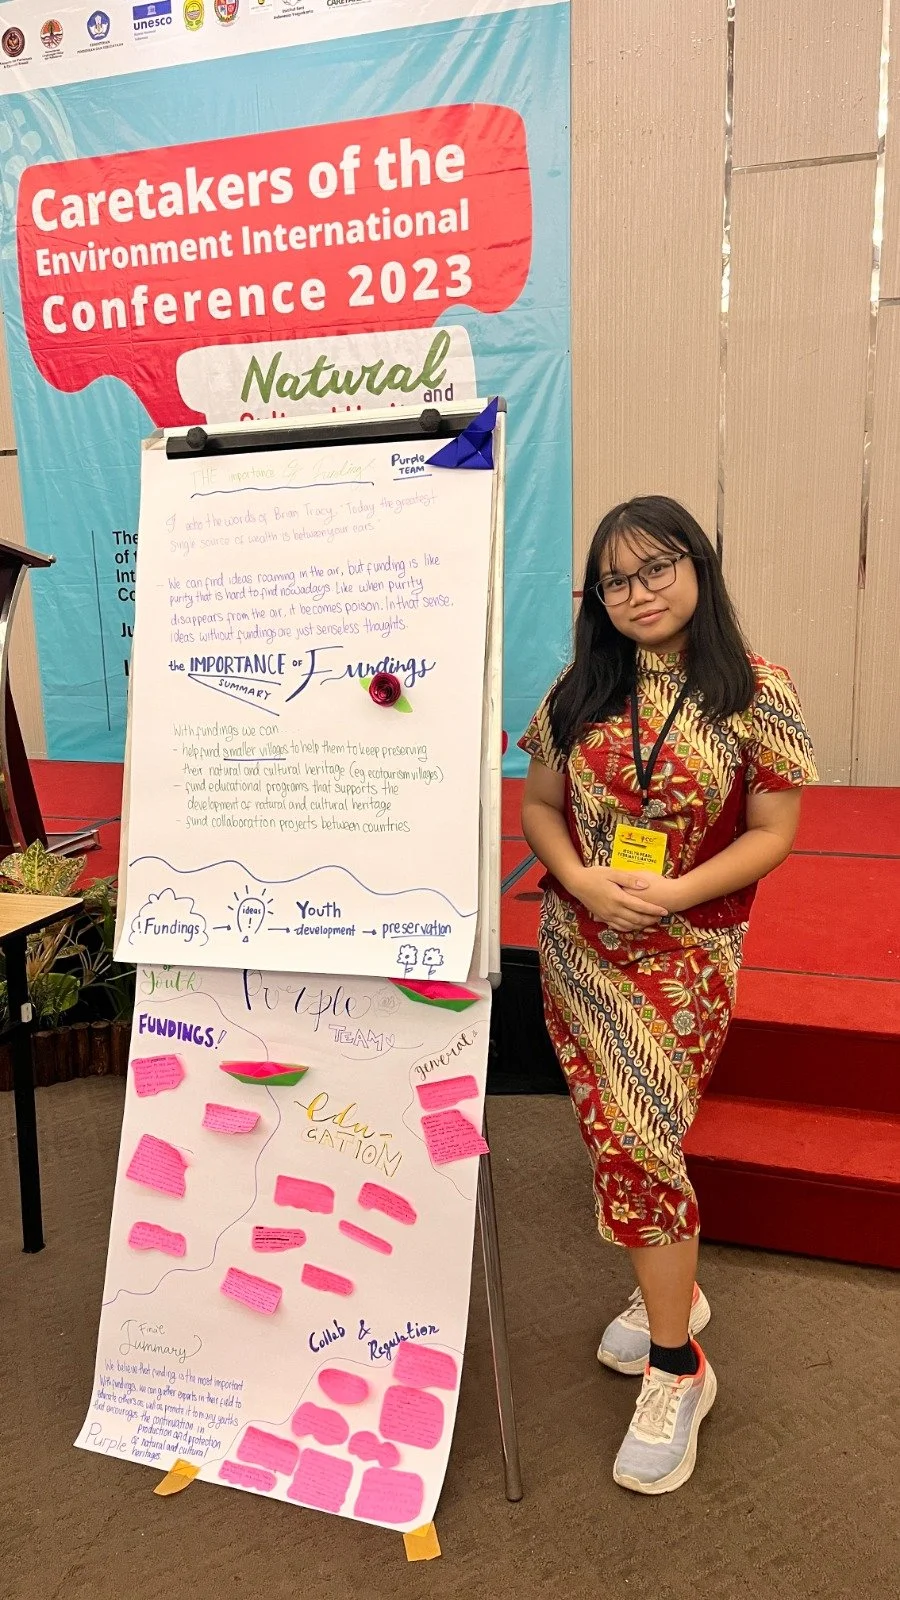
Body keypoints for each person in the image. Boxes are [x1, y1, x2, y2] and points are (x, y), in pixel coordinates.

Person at [519, 495, 817, 1496]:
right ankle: (672, 1303)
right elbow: (540, 807)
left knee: (644, 1136)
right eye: (615, 579)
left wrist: (678, 891)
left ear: (699, 566)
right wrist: (585, 879)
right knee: (617, 1135)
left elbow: (773, 830)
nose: (637, 593)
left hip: (691, 950)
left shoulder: (755, 689)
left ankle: (679, 1367)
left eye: (655, 569)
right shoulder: (578, 689)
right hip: (579, 943)